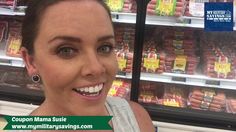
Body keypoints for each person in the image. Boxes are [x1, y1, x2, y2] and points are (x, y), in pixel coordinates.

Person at [20, 0, 155, 131]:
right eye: (66, 50)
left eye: (104, 48)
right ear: (31, 62)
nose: (96, 68)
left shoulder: (136, 119)